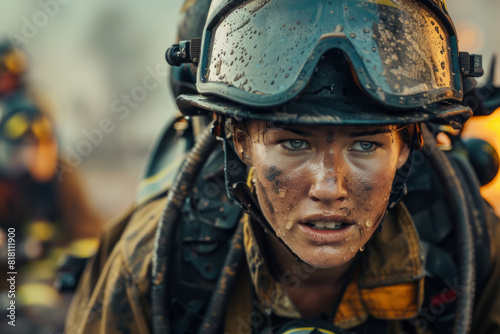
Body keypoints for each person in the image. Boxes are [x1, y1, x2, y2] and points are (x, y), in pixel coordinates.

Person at [65, 0, 500, 333]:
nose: (329, 187)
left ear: (407, 147)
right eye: (293, 143)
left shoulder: (468, 246)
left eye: (365, 144)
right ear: (241, 143)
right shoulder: (156, 263)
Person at [0, 40, 102, 334]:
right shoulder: (7, 189)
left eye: (45, 140)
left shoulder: (62, 178)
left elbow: (88, 232)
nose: (39, 152)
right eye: (28, 143)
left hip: (48, 292)